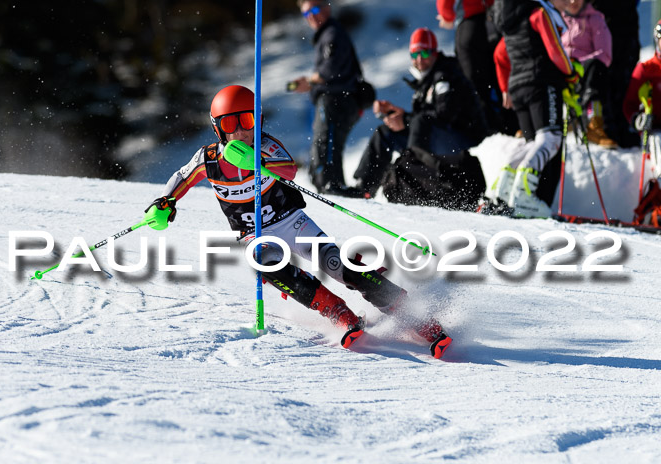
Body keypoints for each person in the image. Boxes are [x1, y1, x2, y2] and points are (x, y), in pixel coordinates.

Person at [142, 85, 452, 358]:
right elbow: (182, 177)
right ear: (218, 129)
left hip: (291, 220)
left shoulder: (265, 146)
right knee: (266, 264)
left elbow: (289, 169)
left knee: (336, 264)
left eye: (248, 121)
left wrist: (258, 164)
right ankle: (338, 312)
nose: (242, 131)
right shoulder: (209, 159)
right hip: (255, 233)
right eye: (231, 124)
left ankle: (414, 316)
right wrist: (164, 202)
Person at [353, 27, 488, 208]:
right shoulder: (427, 79)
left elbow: (444, 116)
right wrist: (398, 114)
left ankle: (413, 175)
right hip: (439, 137)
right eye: (414, 54)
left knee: (418, 123)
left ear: (435, 52)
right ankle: (364, 189)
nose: (419, 59)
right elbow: (426, 119)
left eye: (424, 52)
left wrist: (407, 121)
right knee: (385, 132)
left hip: (461, 141)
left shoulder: (445, 77)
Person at [488, 0, 577, 218]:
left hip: (517, 86)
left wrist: (505, 87)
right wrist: (571, 73)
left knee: (532, 143)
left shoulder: (511, 19)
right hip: (541, 81)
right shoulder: (537, 12)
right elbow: (555, 50)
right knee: (550, 138)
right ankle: (523, 195)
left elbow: (499, 54)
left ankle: (504, 189)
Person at [290, 0, 363, 197]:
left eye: (314, 10)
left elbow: (330, 69)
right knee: (325, 145)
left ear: (327, 8)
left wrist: (310, 81)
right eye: (306, 14)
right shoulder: (328, 33)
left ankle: (331, 188)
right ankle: (329, 186)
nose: (311, 16)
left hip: (337, 99)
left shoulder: (332, 34)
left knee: (326, 144)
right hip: (337, 99)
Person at [436, 0, 505, 133]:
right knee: (498, 78)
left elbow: (445, 3)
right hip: (494, 22)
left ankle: (491, 133)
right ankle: (511, 126)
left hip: (470, 24)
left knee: (475, 87)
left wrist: (447, 16)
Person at [561, 0, 617, 148]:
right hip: (562, 67)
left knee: (596, 69)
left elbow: (605, 54)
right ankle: (542, 123)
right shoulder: (557, 19)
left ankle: (594, 124)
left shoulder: (595, 19)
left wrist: (579, 63)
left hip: (586, 70)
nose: (573, 2)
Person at [623, 17, 661, 192]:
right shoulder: (647, 69)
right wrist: (637, 119)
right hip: (654, 130)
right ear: (658, 40)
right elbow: (629, 104)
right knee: (659, 140)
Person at [591, 0, 640, 148]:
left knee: (625, 77)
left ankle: (624, 127)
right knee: (605, 75)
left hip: (627, 21)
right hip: (604, 21)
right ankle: (607, 127)